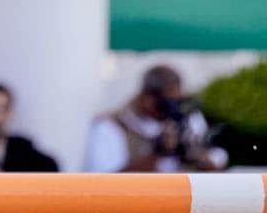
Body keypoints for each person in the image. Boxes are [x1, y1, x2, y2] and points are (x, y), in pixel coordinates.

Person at [84, 64, 228, 172]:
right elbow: (105, 182)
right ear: (147, 98)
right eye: (167, 102)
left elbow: (216, 155)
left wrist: (197, 157)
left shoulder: (188, 119)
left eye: (177, 101)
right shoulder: (111, 126)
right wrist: (156, 154)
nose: (173, 109)